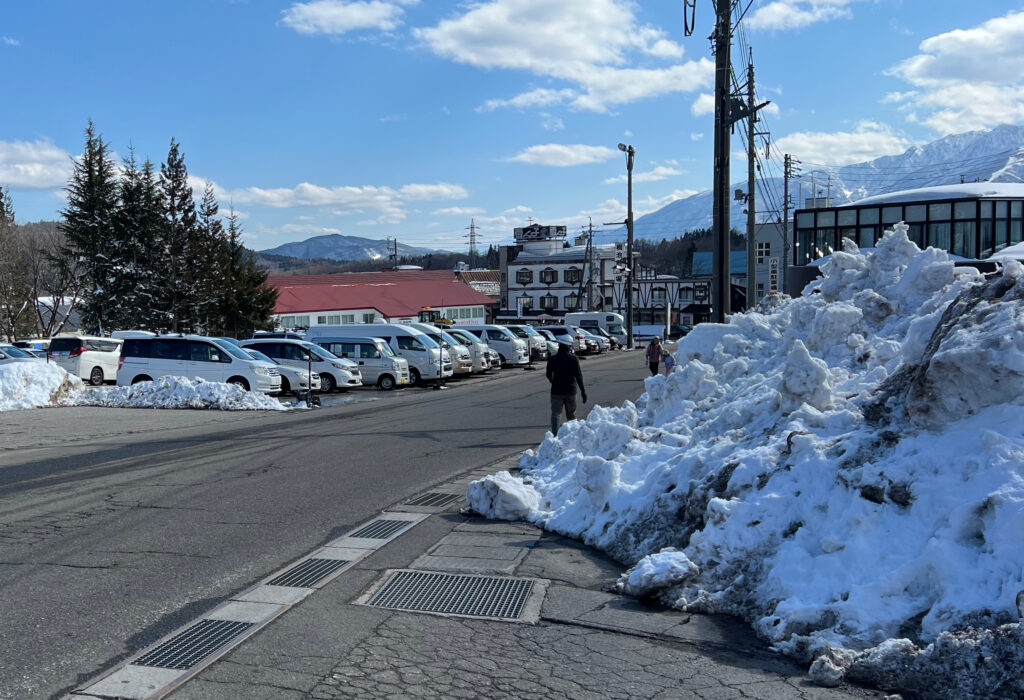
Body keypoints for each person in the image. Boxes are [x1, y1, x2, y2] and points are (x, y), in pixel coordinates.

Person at [546, 340, 587, 435]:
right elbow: (579, 375)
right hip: (571, 391)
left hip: (556, 391)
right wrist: (583, 391)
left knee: (555, 415)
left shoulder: (553, 359)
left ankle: (555, 435)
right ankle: (571, 435)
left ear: (559, 347)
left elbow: (548, 374)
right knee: (571, 415)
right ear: (569, 347)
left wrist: (552, 381)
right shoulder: (573, 358)